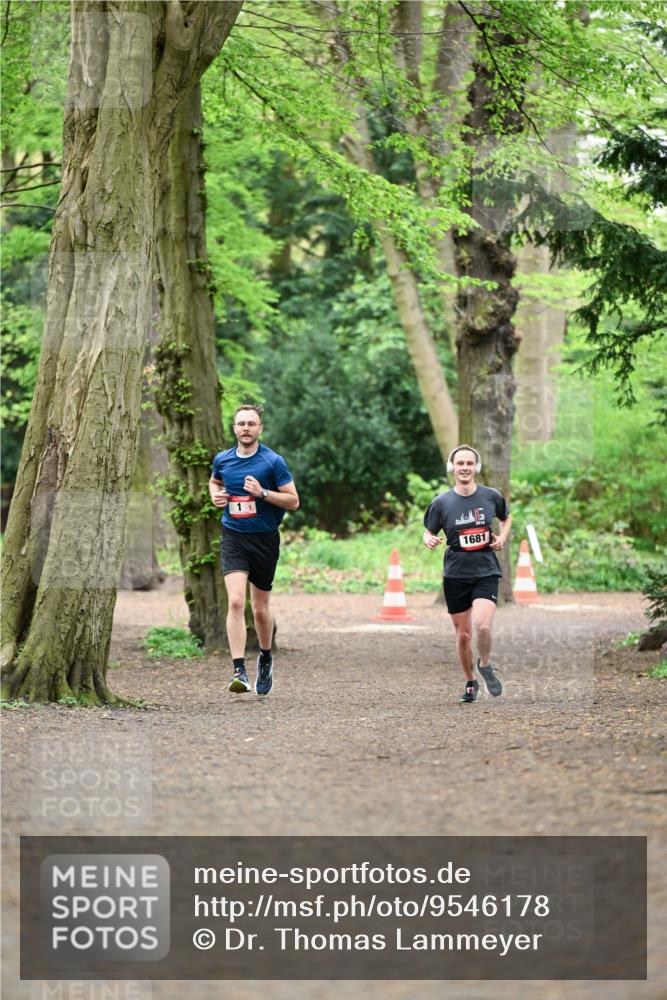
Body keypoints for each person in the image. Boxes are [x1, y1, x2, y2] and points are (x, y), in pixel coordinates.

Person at [209, 404, 299, 695]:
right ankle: (239, 671)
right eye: (241, 423)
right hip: (233, 536)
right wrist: (216, 497)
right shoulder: (222, 460)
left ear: (260, 428)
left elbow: (293, 500)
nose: (245, 428)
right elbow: (214, 481)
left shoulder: (272, 462)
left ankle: (265, 657)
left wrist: (263, 493)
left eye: (251, 423)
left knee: (260, 610)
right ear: (234, 428)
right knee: (236, 601)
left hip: (264, 539)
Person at [422, 444, 512, 704]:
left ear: (476, 468)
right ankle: (471, 681)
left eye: (469, 464)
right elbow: (429, 530)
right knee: (463, 635)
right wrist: (428, 539)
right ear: (453, 468)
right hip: (456, 573)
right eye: (460, 464)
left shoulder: (490, 496)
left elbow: (506, 517)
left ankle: (485, 664)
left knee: (482, 625)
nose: (464, 468)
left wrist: (502, 537)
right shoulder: (441, 503)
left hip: (485, 568)